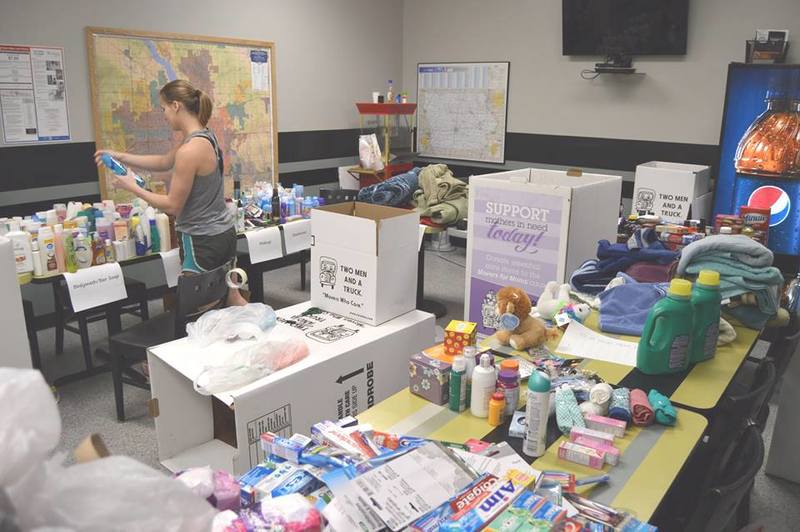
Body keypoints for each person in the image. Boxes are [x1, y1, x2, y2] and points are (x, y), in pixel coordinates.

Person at [94, 79, 247, 306]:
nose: (164, 115)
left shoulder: (189, 150)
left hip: (201, 241)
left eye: (163, 108)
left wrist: (133, 187)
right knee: (232, 298)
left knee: (201, 311)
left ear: (176, 106)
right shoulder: (206, 137)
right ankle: (267, 326)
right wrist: (120, 156)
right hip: (224, 233)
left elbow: (172, 206)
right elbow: (164, 161)